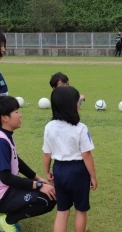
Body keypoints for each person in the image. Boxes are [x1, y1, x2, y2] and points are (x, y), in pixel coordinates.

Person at [0, 95, 56, 232]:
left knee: (46, 192)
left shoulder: (2, 133)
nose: (20, 115)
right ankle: (7, 221)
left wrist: (37, 178)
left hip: (0, 190)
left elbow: (15, 159)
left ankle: (4, 211)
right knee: (47, 199)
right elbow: (6, 178)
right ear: (4, 117)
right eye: (16, 112)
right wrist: (39, 186)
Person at [42, 85, 97, 232]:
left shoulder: (49, 127)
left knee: (62, 211)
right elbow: (86, 155)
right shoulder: (80, 128)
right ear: (72, 105)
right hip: (78, 171)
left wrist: (47, 172)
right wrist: (93, 176)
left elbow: (47, 153)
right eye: (77, 100)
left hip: (59, 169)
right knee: (80, 210)